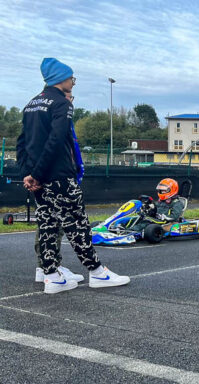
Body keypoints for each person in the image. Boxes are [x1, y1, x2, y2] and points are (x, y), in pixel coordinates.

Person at [17, 57, 129, 294]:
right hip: (59, 176)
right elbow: (56, 140)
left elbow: (22, 142)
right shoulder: (61, 103)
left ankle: (51, 276)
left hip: (39, 179)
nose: (73, 83)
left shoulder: (31, 104)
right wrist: (37, 173)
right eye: (71, 78)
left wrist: (28, 174)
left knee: (48, 224)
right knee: (77, 223)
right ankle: (97, 272)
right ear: (60, 79)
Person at [32, 89, 77, 283]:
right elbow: (53, 146)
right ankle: (51, 267)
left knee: (49, 223)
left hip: (52, 175)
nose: (71, 101)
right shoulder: (54, 118)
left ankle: (46, 267)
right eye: (70, 97)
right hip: (54, 178)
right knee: (53, 224)